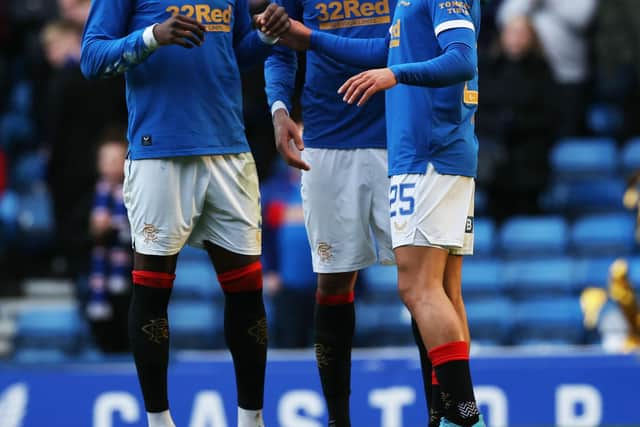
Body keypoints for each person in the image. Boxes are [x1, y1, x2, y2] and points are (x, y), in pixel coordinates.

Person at [80, 1, 290, 426]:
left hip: (228, 150)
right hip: (160, 153)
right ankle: (159, 421)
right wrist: (151, 37)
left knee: (247, 293)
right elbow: (91, 58)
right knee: (154, 293)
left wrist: (267, 36)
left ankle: (252, 419)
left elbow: (235, 55)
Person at [276, 0, 484, 425]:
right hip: (422, 150)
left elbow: (459, 57)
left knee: (420, 290)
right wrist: (306, 48)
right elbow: (389, 50)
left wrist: (394, 74)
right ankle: (449, 414)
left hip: (421, 150)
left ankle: (462, 415)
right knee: (441, 289)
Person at [262, 0, 403, 424]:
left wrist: (311, 38)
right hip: (325, 142)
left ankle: (443, 413)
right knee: (333, 281)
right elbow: (278, 45)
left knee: (422, 286)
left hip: (400, 139)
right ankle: (339, 419)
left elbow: (398, 51)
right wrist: (279, 108)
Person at [477, 16, 557, 220]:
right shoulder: (487, 69)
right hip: (493, 162)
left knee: (528, 218)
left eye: (522, 33)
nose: (516, 38)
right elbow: (476, 110)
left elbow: (551, 117)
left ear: (532, 38)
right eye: (512, 32)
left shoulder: (542, 72)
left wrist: (515, 123)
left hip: (530, 163)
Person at [497, 0, 597, 137]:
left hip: (568, 76)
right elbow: (505, 17)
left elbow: (582, 18)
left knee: (566, 135)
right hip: (531, 75)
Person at [86, 128, 131, 353]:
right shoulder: (90, 198)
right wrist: (94, 232)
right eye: (106, 159)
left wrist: (115, 230)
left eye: (116, 159)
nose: (111, 164)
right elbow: (76, 239)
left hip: (129, 281)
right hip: (98, 281)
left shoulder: (137, 196)